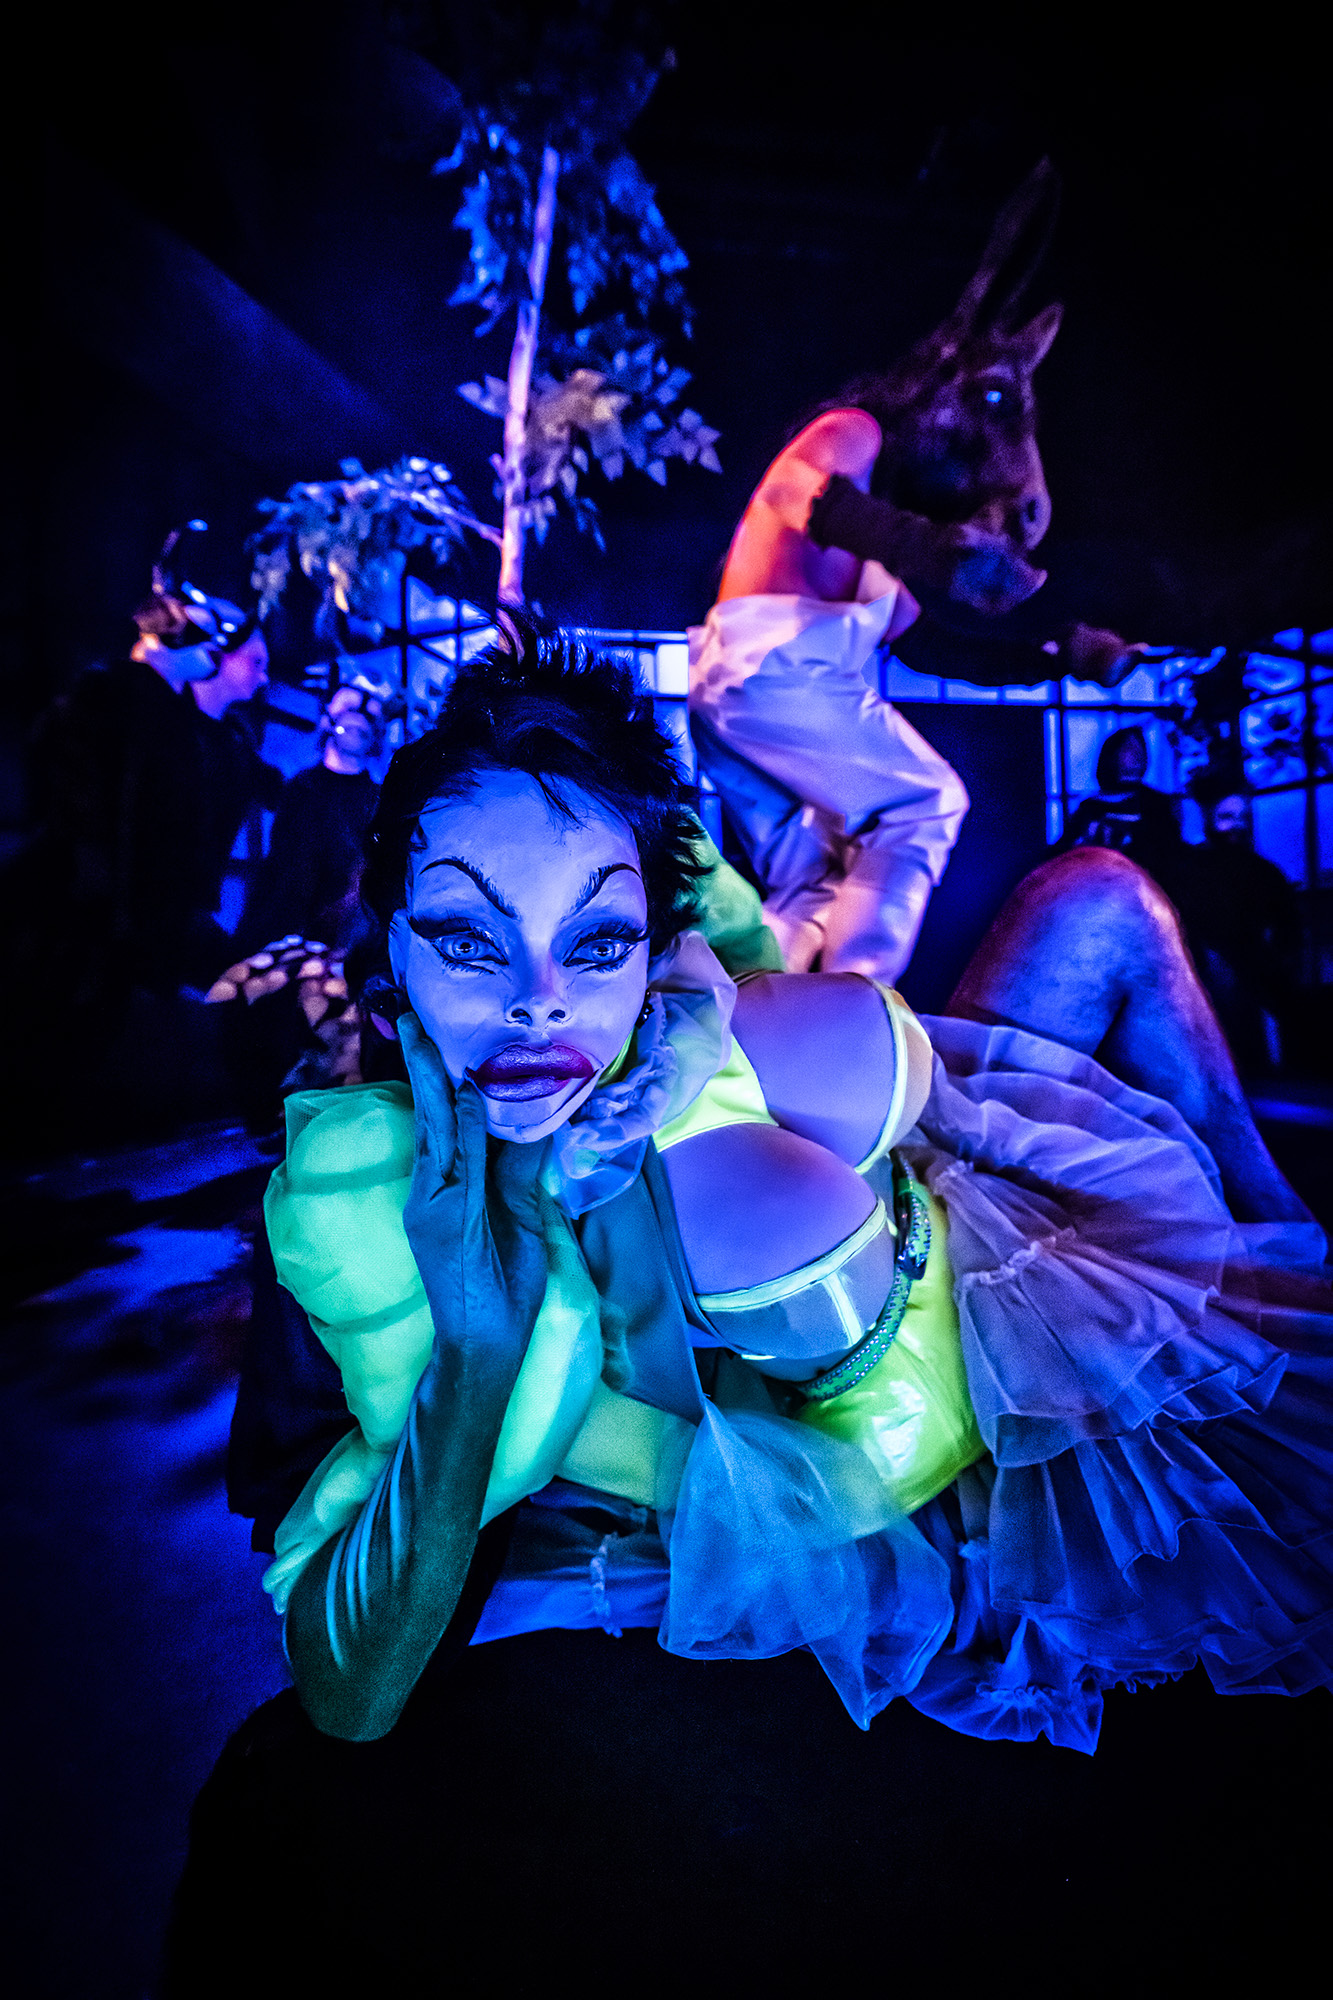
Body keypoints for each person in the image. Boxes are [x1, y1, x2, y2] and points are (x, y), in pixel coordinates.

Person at [226, 623, 1331, 1766]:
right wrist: (478, 1348)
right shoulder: (360, 1201)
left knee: (1097, 899)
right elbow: (350, 1689)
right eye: (467, 939)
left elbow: (758, 956)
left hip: (976, 1263)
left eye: (595, 943)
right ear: (391, 956)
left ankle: (1295, 1245)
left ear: (649, 950)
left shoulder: (702, 1011)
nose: (537, 1000)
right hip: (876, 1495)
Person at [240, 685, 384, 959]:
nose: (358, 719)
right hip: (276, 933)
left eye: (369, 717)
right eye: (349, 710)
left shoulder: (379, 803)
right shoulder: (299, 786)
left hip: (339, 944)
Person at [1178, 784, 1302, 1074]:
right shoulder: (1189, 868)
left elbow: (1288, 927)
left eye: (1243, 817)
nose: (1237, 825)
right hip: (1200, 973)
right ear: (1208, 816)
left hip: (1255, 972)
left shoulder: (1264, 871)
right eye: (1226, 817)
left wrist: (1277, 962)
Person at [1060, 726, 1184, 894]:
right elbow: (1067, 848)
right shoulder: (1091, 806)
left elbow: (1170, 852)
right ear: (1112, 754)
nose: (1137, 754)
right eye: (1129, 748)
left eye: (1141, 748)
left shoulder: (1158, 803)